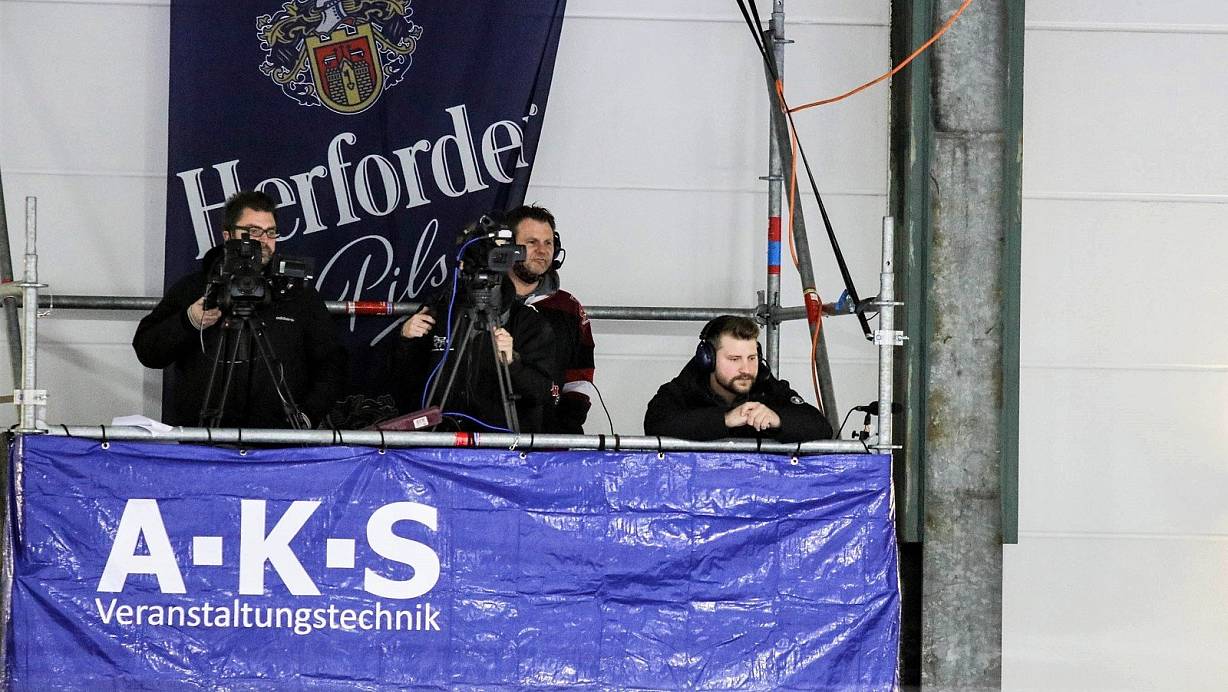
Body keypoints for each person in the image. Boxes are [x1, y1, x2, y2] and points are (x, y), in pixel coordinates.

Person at [133, 191, 347, 428]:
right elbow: (147, 350)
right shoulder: (194, 288)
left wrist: (306, 416)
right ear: (228, 235)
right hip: (205, 442)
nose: (263, 241)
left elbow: (331, 365)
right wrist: (189, 321)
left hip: (279, 443)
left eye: (271, 232)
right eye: (253, 232)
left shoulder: (298, 295)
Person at [388, 225, 558, 432]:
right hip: (438, 442)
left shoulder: (529, 322)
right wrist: (406, 339)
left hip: (499, 447)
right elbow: (402, 381)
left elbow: (544, 393)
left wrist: (512, 363)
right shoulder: (442, 312)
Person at [644, 315, 833, 442]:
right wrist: (725, 419)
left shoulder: (767, 385)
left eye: (752, 358)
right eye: (734, 359)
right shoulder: (682, 389)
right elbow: (656, 425)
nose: (746, 369)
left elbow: (821, 427)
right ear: (707, 359)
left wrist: (778, 419)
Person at [504, 204, 597, 434]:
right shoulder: (482, 304)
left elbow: (581, 374)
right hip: (488, 437)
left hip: (550, 442)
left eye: (548, 243)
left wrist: (566, 426)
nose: (542, 250)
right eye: (532, 242)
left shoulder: (568, 307)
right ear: (509, 248)